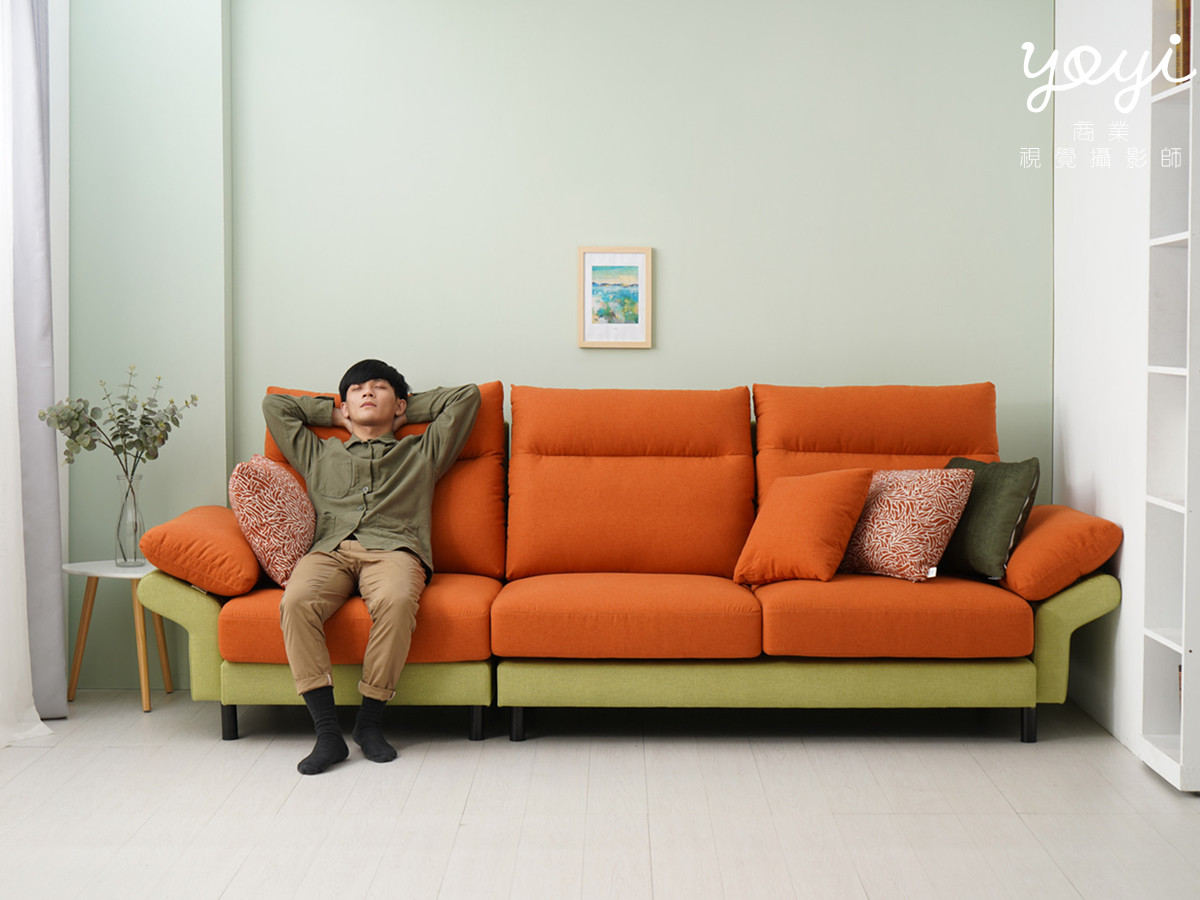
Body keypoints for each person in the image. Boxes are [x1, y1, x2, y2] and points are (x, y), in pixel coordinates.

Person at [263, 359, 480, 775]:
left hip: (394, 550)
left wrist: (402, 412)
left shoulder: (422, 451)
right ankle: (327, 733)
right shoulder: (318, 452)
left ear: (398, 403)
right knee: (296, 602)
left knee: (397, 601)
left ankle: (369, 723)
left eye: (379, 387)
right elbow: (275, 406)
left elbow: (466, 397)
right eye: (357, 389)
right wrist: (337, 415)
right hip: (329, 550)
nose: (367, 392)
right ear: (344, 405)